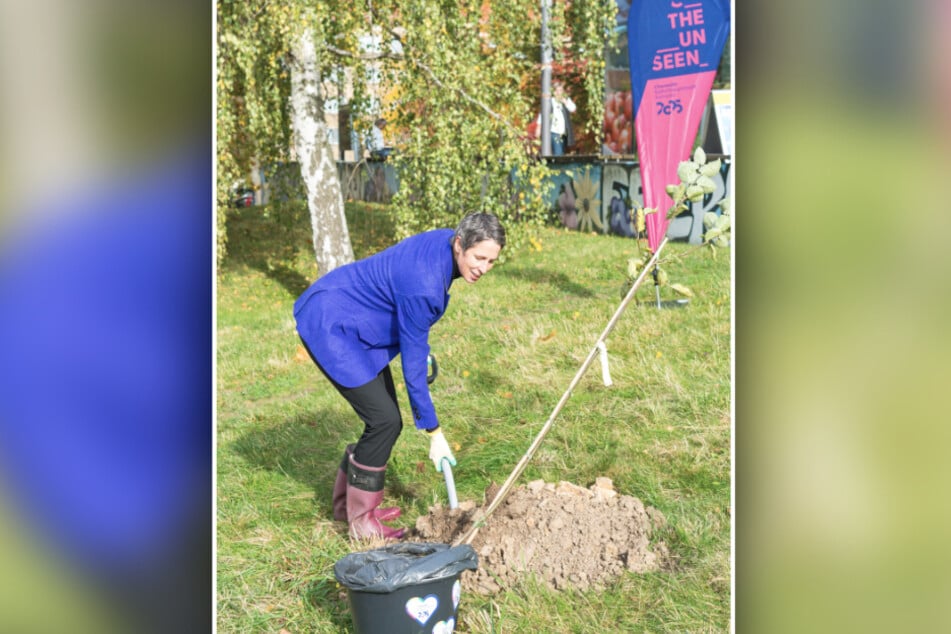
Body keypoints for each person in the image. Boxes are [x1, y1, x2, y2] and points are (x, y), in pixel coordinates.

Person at [294, 212, 506, 539]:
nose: (483, 268)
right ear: (460, 244)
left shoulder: (446, 244)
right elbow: (413, 366)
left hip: (357, 320)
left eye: (492, 261)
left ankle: (343, 507)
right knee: (384, 421)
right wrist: (434, 431)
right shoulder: (425, 284)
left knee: (384, 420)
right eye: (479, 258)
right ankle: (363, 523)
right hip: (333, 324)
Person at [535, 81, 576, 156]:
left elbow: (573, 109)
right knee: (558, 153)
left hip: (563, 133)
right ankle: (558, 167)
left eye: (560, 90)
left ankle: (556, 167)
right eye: (556, 90)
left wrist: (565, 102)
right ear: (553, 92)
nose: (558, 93)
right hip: (553, 132)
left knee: (562, 153)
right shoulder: (550, 101)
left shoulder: (566, 100)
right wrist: (538, 127)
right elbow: (542, 114)